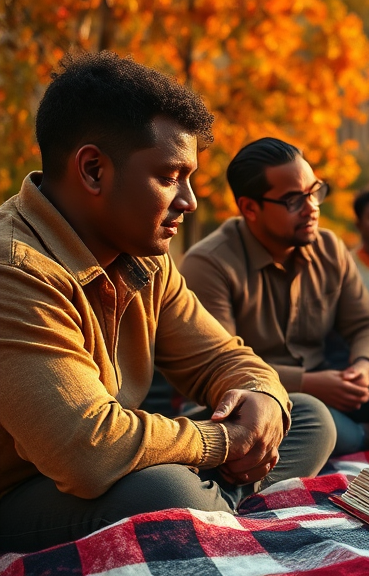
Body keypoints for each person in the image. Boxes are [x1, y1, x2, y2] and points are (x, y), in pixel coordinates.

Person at [0, 52, 334, 553]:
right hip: (25, 491)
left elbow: (224, 358)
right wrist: (224, 442)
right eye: (170, 176)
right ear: (93, 170)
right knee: (167, 490)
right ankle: (207, 513)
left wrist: (262, 400)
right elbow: (87, 449)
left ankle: (207, 514)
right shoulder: (15, 269)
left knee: (306, 416)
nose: (190, 200)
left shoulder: (144, 255)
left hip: (118, 463)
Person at [179, 138, 369, 456]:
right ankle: (363, 435)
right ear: (249, 208)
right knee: (306, 415)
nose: (312, 208)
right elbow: (220, 367)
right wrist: (309, 383)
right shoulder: (209, 264)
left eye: (315, 192)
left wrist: (364, 367)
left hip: (338, 385)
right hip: (274, 399)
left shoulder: (328, 246)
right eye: (292, 200)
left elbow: (367, 324)